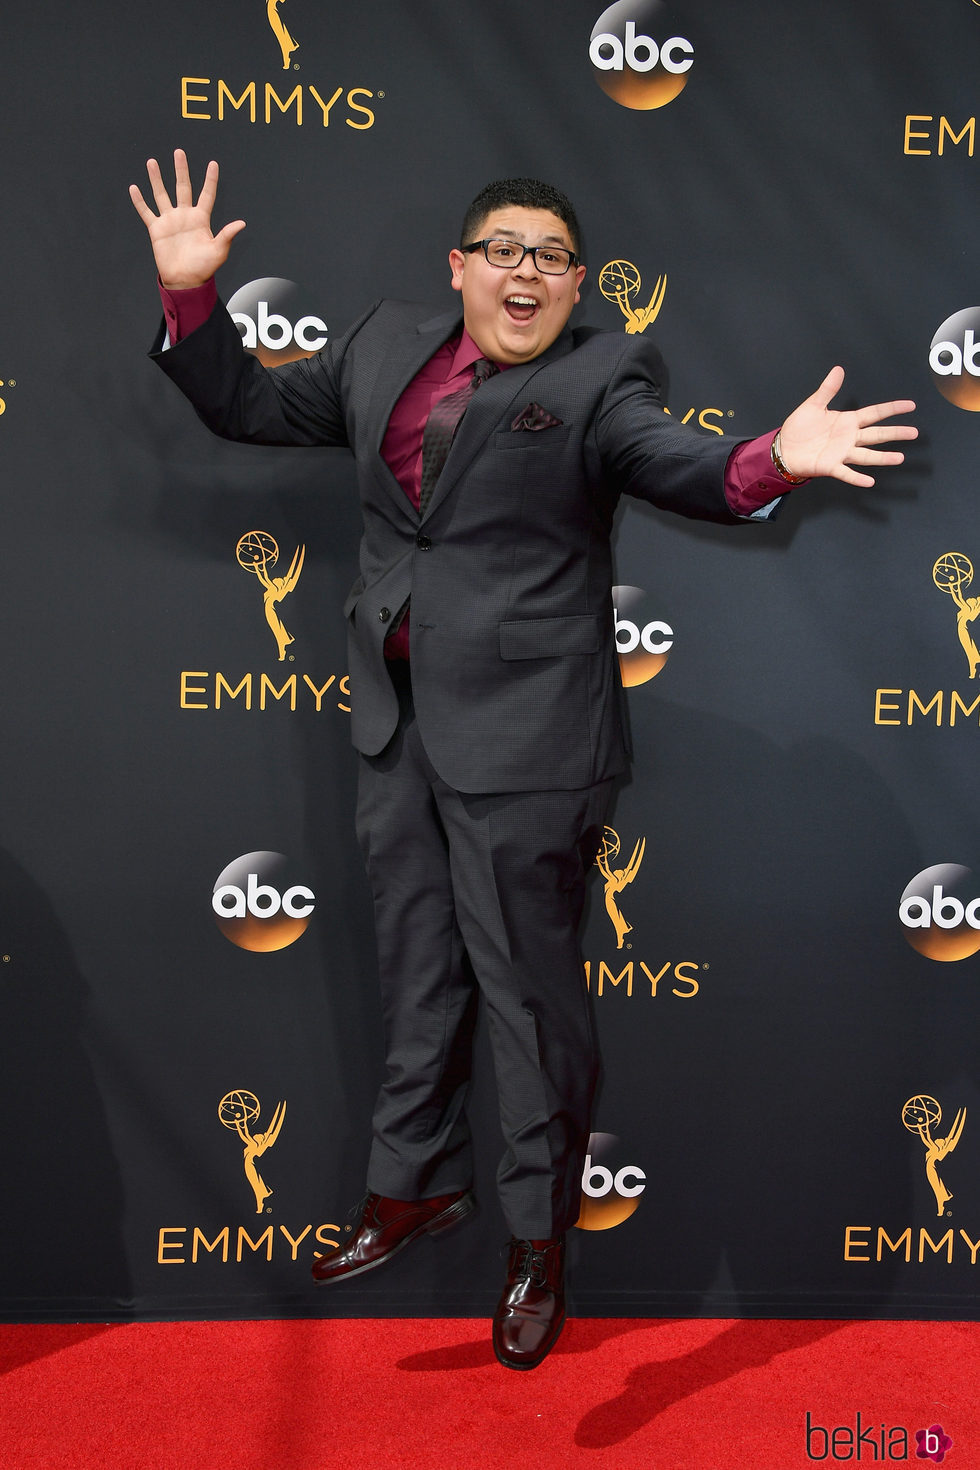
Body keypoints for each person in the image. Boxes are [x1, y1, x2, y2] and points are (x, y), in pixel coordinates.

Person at [130, 150, 916, 1370]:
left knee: (528, 1011)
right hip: (393, 722)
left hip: (531, 742)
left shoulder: (604, 377)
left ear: (575, 284)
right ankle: (410, 1187)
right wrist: (191, 302)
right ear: (459, 269)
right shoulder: (382, 343)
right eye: (501, 251)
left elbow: (683, 466)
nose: (524, 274)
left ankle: (538, 1245)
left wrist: (771, 460)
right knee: (415, 969)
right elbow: (244, 405)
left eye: (549, 259)